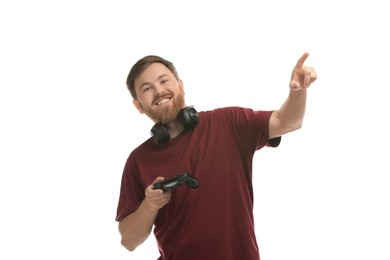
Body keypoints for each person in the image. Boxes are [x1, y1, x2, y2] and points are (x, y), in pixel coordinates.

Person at [115, 52, 317, 260]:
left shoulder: (228, 123)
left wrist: (298, 92)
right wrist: (151, 204)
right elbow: (129, 241)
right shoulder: (138, 161)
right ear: (139, 105)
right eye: (147, 89)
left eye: (164, 80)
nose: (159, 91)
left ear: (181, 86)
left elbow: (288, 122)